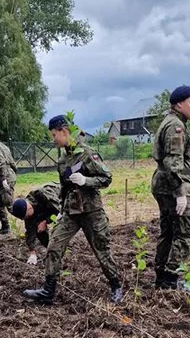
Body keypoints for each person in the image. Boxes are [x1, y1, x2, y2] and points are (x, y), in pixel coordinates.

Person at [23, 115, 122, 304]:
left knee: (101, 249)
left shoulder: (87, 153)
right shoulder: (62, 160)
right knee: (54, 246)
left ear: (64, 131)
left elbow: (106, 178)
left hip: (91, 211)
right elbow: (64, 188)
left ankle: (116, 285)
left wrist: (86, 181)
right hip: (70, 212)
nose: (53, 139)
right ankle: (48, 291)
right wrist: (60, 209)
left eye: (54, 135)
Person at [151, 85, 190, 289]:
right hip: (173, 188)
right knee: (186, 233)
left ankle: (161, 277)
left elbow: (179, 165)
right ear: (179, 104)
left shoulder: (172, 123)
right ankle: (170, 279)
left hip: (166, 184)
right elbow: (173, 163)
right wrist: (181, 192)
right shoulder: (175, 126)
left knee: (168, 232)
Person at [10, 183, 61, 264]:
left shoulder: (42, 195)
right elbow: (30, 231)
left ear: (29, 207)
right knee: (38, 228)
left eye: (26, 216)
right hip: (47, 210)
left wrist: (46, 221)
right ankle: (50, 251)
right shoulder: (27, 212)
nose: (26, 219)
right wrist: (32, 253)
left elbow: (60, 210)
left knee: (62, 226)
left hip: (64, 199)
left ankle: (60, 252)